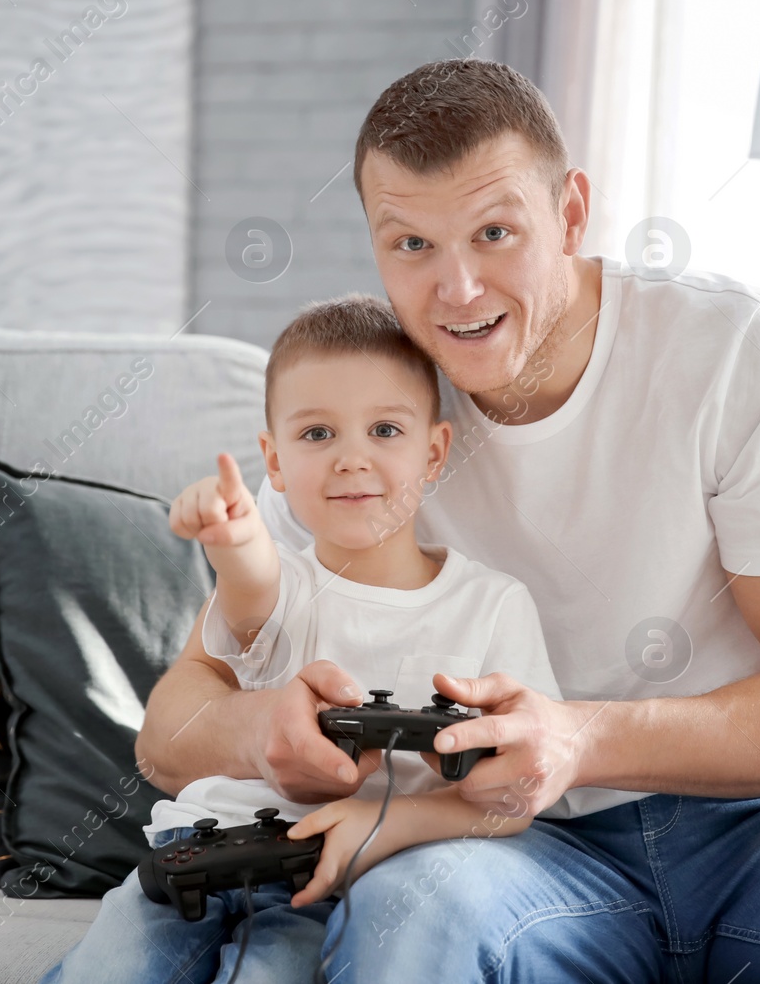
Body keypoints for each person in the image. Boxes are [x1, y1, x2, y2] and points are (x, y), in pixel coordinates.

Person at [138, 59, 760, 982]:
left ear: (571, 213)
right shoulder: (375, 413)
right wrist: (263, 728)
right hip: (514, 849)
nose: (458, 290)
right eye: (413, 245)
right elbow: (173, 725)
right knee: (408, 922)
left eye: (496, 234)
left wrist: (579, 738)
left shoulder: (738, 352)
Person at [44, 295, 586, 984]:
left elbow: (516, 788)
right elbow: (249, 591)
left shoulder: (493, 604)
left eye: (385, 430)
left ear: (435, 450)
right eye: (317, 434)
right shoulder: (281, 584)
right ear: (273, 461)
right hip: (196, 852)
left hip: (329, 880)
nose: (351, 460)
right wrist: (235, 536)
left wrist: (396, 824)